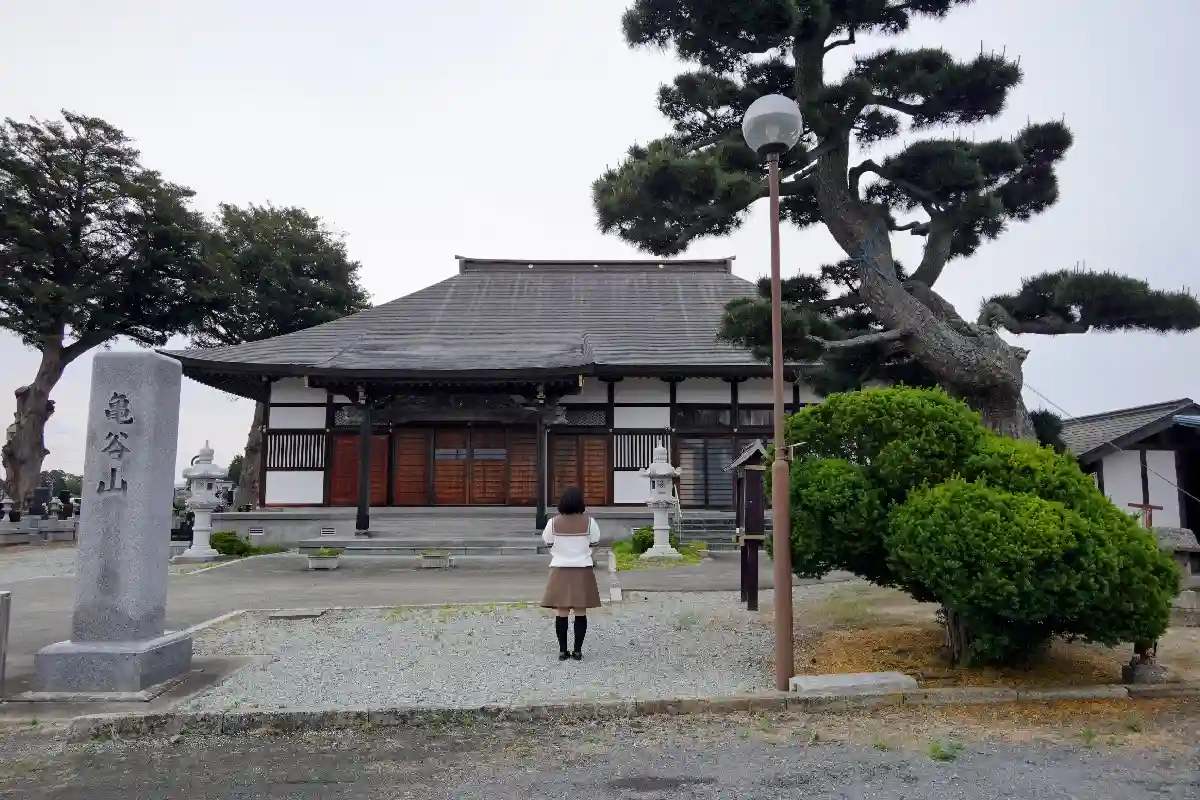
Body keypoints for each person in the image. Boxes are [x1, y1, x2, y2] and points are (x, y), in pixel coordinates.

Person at [540, 486, 602, 661]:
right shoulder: (590, 522)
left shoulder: (553, 522)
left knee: (561, 610)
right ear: (581, 502)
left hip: (559, 569)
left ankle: (562, 651)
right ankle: (577, 651)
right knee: (580, 611)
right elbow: (595, 543)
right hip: (583, 570)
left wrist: (560, 553)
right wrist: (585, 554)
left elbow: (547, 542)